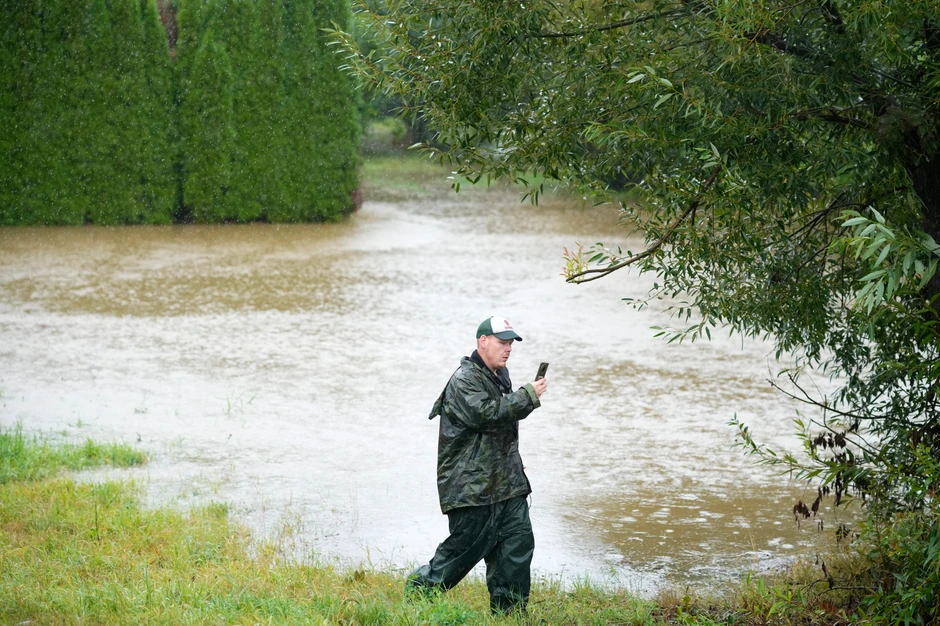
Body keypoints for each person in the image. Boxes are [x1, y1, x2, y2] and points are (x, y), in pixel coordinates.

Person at [407, 315, 548, 615]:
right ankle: (419, 591)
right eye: (502, 342)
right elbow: (487, 413)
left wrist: (523, 397)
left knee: (517, 547)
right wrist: (528, 396)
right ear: (482, 342)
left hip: (507, 485)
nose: (508, 348)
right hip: (471, 489)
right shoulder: (464, 380)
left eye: (511, 343)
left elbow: (501, 419)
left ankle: (509, 615)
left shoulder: (499, 375)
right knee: (461, 553)